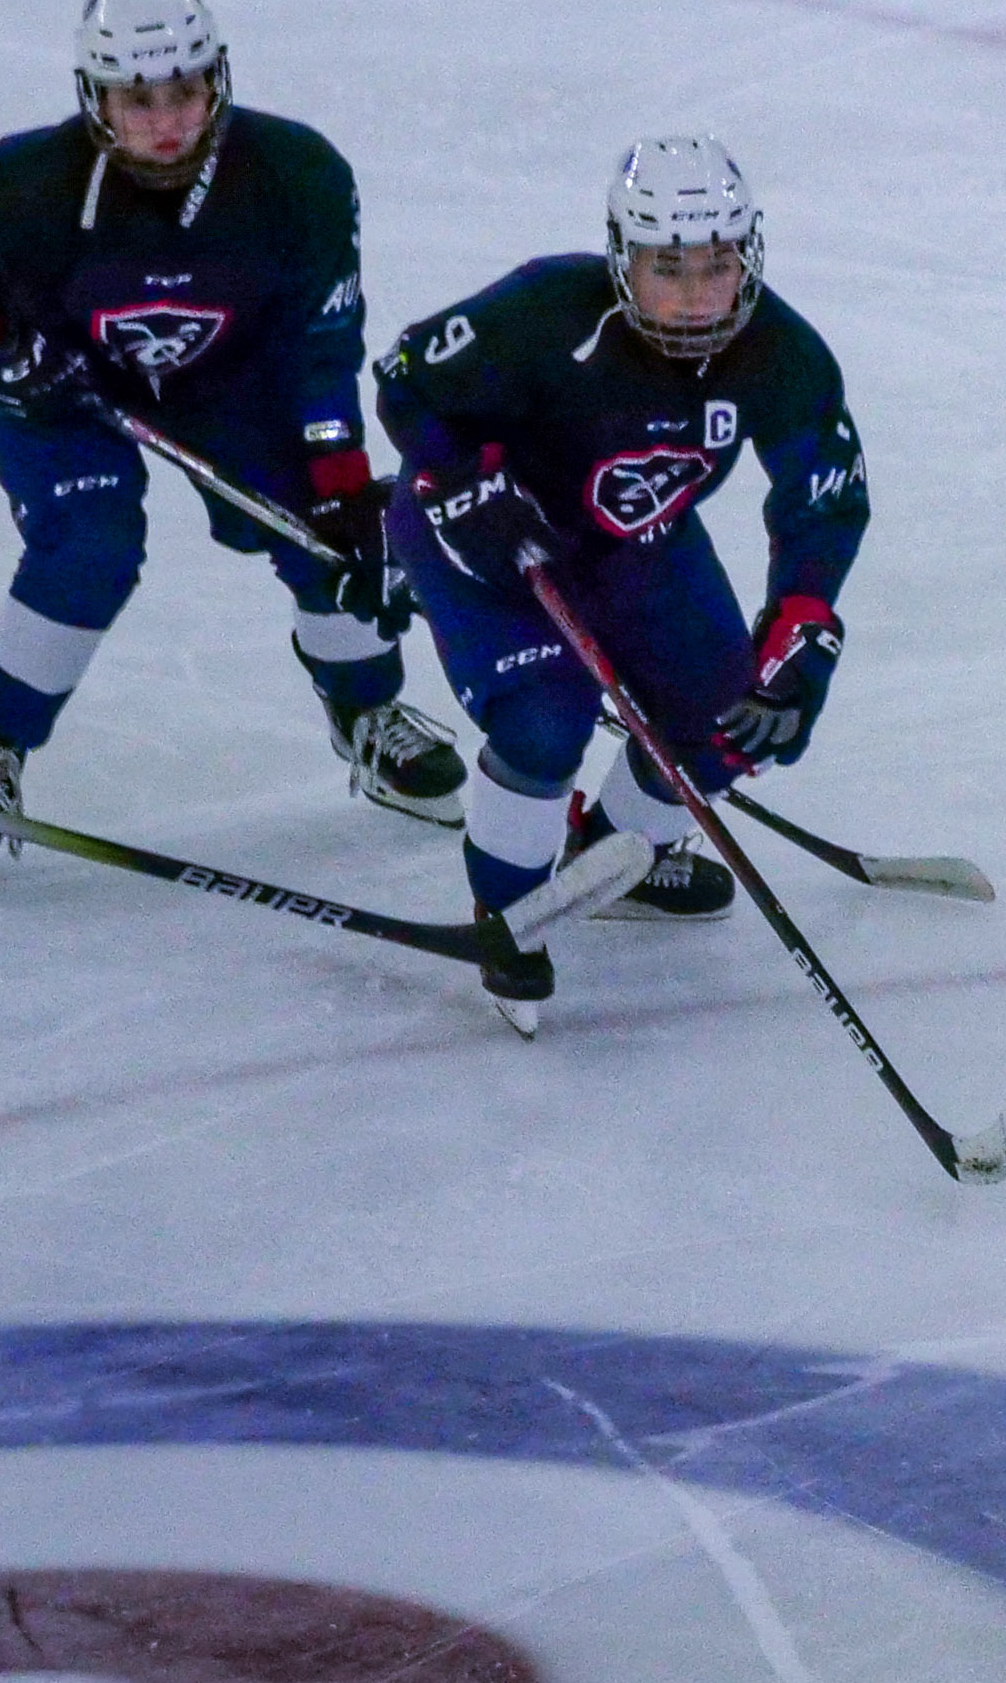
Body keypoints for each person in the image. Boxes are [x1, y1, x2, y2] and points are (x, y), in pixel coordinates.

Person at [0, 0, 463, 864]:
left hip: (230, 377)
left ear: (218, 78)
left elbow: (323, 338)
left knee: (332, 540)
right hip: (55, 381)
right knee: (90, 542)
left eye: (183, 90)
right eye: (136, 98)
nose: (165, 119)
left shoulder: (300, 175)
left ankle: (365, 713)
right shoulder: (30, 182)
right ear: (93, 96)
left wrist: (336, 471)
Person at [371, 137, 872, 1037]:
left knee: (732, 725)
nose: (691, 296)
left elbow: (824, 503)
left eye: (714, 266)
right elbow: (406, 380)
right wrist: (466, 477)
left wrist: (802, 625)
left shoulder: (783, 356)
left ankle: (604, 855)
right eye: (664, 268)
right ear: (621, 260)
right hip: (481, 543)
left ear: (747, 255)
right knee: (542, 721)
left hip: (631, 543)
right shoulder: (545, 306)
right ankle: (509, 917)